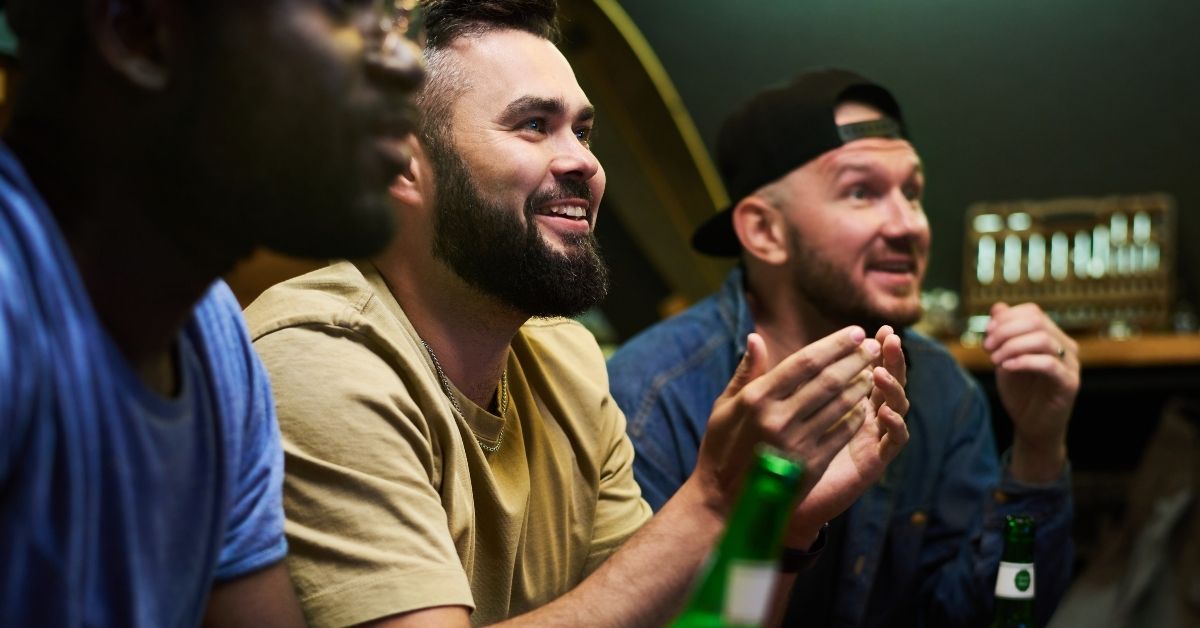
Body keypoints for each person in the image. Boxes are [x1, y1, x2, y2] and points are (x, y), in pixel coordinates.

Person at [245, 2, 910, 626]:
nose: (585, 164)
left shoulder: (567, 360)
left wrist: (779, 529)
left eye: (583, 131)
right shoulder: (321, 361)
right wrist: (713, 499)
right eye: (534, 125)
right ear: (403, 163)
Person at [607, 68, 1081, 628]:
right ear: (765, 231)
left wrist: (1039, 448)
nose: (909, 225)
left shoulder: (940, 390)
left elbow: (984, 617)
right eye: (861, 192)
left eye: (912, 191)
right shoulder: (651, 397)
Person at [0, 0, 424, 624]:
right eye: (346, 10)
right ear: (142, 33)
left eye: (394, 20)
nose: (406, 60)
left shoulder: (213, 338)